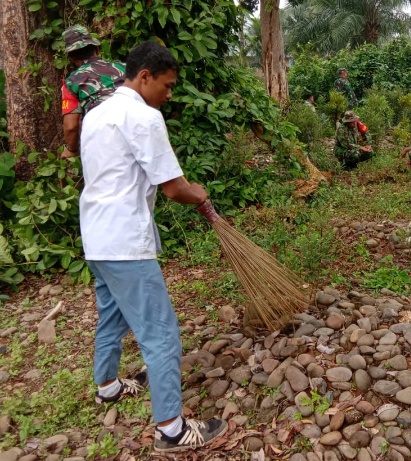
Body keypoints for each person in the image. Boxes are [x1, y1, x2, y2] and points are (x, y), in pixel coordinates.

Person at [79, 41, 227, 452]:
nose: (169, 94)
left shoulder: (97, 113)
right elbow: (174, 188)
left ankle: (108, 386)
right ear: (145, 76)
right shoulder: (143, 116)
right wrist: (199, 195)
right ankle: (172, 430)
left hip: (95, 237)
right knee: (161, 335)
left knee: (111, 315)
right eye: (167, 85)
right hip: (125, 242)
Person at [60, 25, 125, 159]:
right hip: (137, 126)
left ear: (71, 57)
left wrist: (71, 150)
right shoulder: (124, 68)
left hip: (103, 138)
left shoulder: (72, 82)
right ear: (97, 49)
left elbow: (71, 126)